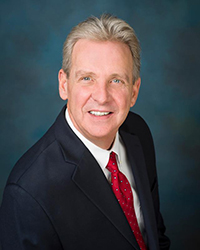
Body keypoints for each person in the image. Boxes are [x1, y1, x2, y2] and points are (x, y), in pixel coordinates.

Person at [0, 14, 170, 250]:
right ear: (64, 84)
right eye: (87, 78)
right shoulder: (27, 192)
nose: (101, 96)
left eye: (116, 80)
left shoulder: (138, 133)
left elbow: (155, 237)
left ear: (134, 91)